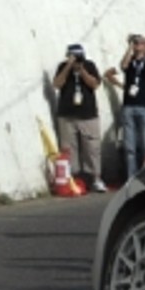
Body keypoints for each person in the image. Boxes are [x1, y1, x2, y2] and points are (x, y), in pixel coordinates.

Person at [105, 35, 145, 182]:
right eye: (136, 43)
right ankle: (131, 177)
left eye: (141, 43)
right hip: (129, 106)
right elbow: (123, 66)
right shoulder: (130, 61)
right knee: (129, 147)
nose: (138, 45)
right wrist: (130, 48)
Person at [53, 44, 105, 192]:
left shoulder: (89, 65)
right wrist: (68, 66)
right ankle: (74, 178)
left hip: (88, 115)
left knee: (92, 148)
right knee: (69, 149)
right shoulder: (63, 67)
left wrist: (81, 70)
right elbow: (57, 84)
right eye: (72, 56)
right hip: (67, 115)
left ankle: (95, 177)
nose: (76, 59)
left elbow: (94, 84)